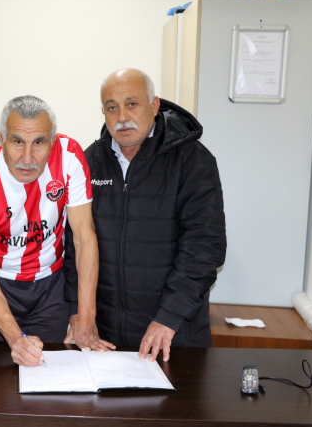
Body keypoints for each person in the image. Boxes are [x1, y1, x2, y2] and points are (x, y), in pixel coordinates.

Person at [64, 68, 226, 363]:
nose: (122, 117)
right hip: (105, 337)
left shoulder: (193, 161)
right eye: (112, 107)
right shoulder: (89, 162)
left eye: (132, 104)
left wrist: (169, 317)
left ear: (154, 105)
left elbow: (204, 248)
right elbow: (74, 245)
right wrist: (77, 311)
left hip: (173, 334)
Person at [0, 95, 115, 367]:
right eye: (17, 142)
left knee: (49, 376)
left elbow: (84, 237)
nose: (28, 158)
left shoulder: (70, 157)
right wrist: (16, 338)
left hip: (49, 287)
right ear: (1, 140)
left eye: (39, 143)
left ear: (53, 141)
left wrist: (85, 316)